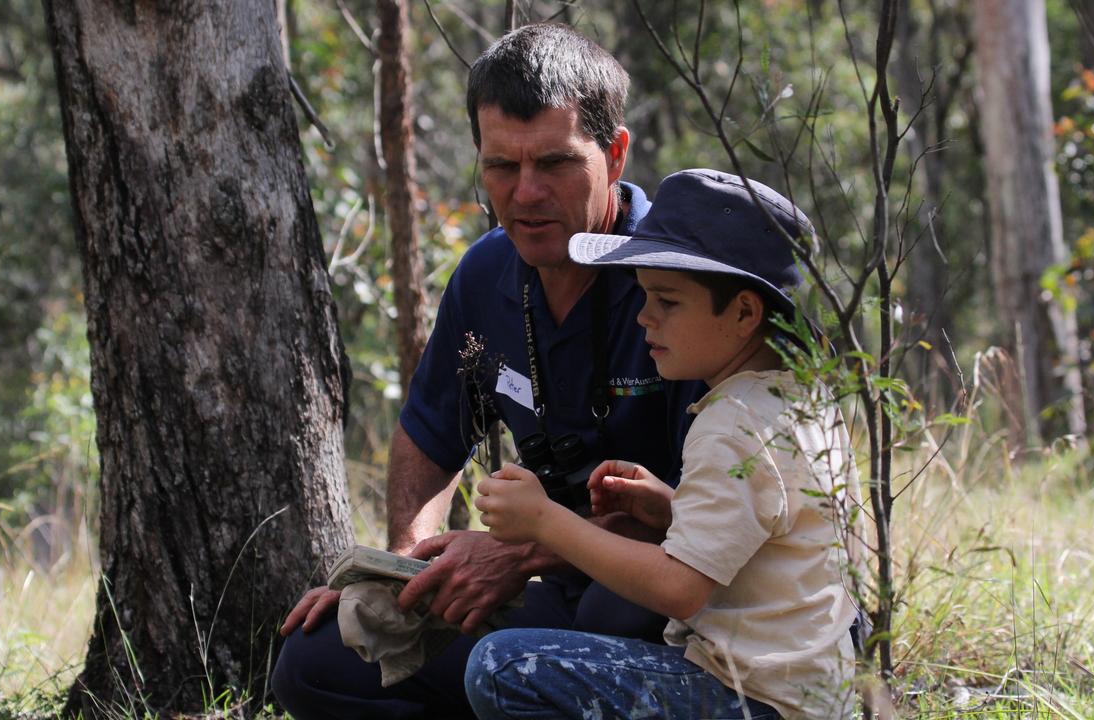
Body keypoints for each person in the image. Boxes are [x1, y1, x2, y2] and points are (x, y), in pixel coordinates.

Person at [271, 24, 703, 719]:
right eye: (502, 165)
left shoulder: (681, 283)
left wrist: (525, 551)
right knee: (317, 661)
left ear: (615, 154)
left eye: (555, 163)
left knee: (610, 609)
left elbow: (706, 527)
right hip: (550, 596)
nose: (526, 193)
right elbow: (430, 435)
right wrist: (408, 575)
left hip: (667, 607)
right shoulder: (485, 276)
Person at [466, 168, 862, 720]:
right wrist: (674, 507)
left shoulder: (734, 423)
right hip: (816, 696)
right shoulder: (802, 401)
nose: (644, 316)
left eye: (667, 301)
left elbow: (680, 590)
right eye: (644, 295)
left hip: (757, 701)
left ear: (745, 312)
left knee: (503, 666)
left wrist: (545, 521)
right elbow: (777, 536)